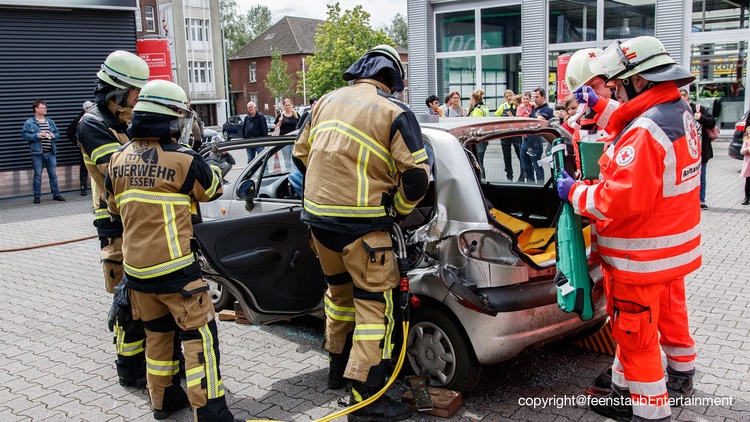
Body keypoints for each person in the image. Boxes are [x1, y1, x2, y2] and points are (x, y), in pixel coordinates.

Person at [557, 36, 701, 422]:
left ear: (639, 80)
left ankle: (650, 413)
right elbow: (633, 116)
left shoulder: (646, 132)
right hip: (668, 249)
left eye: (617, 85)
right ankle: (625, 394)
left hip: (639, 256)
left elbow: (616, 199)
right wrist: (601, 106)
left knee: (636, 340)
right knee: (635, 329)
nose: (615, 92)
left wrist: (575, 193)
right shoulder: (676, 112)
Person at [293, 44, 429, 421]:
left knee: (338, 296)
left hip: (319, 225)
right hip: (364, 231)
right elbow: (417, 178)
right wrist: (398, 212)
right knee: (374, 311)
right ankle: (367, 397)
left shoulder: (323, 102)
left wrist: (325, 195)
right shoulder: (394, 112)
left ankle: (337, 369)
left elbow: (299, 156)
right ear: (391, 80)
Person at [104, 79, 238, 421]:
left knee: (158, 338)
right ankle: (211, 413)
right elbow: (211, 190)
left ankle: (163, 402)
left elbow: (113, 210)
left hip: (138, 275)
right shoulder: (183, 158)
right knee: (199, 340)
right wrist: (219, 166)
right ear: (169, 119)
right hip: (177, 272)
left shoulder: (118, 159)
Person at [76, 50, 149, 388]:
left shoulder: (123, 119)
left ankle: (152, 359)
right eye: (136, 92)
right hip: (116, 227)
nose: (139, 98)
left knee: (145, 297)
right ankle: (130, 369)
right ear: (117, 91)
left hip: (136, 219)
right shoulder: (93, 124)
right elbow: (119, 172)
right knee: (126, 300)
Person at [680, 89, 716, 209]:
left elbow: (712, 122)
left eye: (683, 100)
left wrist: (700, 118)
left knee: (702, 175)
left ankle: (701, 200)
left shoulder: (698, 109)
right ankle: (688, 200)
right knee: (687, 176)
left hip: (701, 148)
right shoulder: (679, 112)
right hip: (687, 150)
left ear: (687, 98)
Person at [23, 99, 64, 204]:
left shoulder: (50, 122)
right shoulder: (29, 123)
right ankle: (37, 196)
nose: (45, 109)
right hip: (37, 153)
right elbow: (25, 136)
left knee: (53, 175)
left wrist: (53, 135)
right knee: (38, 175)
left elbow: (58, 134)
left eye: (45, 107)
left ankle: (56, 194)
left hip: (50, 152)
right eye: (42, 107)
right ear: (36, 109)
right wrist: (37, 135)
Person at [521, 87, 552, 183]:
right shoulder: (533, 107)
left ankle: (540, 186)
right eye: (534, 97)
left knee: (537, 167)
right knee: (526, 168)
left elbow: (537, 122)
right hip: (525, 141)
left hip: (535, 142)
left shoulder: (546, 109)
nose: (535, 99)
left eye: (537, 97)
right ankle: (530, 187)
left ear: (543, 96)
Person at [66, 100, 95, 196]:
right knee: (84, 168)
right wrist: (77, 142)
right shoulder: (78, 119)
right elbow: (69, 132)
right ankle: (83, 188)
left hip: (95, 146)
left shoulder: (95, 117)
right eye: (90, 107)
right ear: (86, 109)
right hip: (84, 148)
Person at [494, 89, 522, 181]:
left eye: (510, 95)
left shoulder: (517, 106)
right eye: (507, 96)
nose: (509, 98)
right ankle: (509, 175)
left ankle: (523, 174)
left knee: (519, 154)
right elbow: (495, 116)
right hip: (505, 134)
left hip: (516, 134)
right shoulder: (503, 106)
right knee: (506, 156)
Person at [467, 89, 490, 179]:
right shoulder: (484, 107)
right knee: (480, 160)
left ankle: (480, 179)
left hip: (478, 139)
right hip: (484, 138)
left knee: (478, 160)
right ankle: (482, 178)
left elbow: (475, 125)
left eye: (470, 99)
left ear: (473, 99)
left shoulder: (477, 110)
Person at [742, 129, 750, 205]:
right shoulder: (747, 142)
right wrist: (748, 148)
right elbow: (742, 151)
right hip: (749, 165)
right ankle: (747, 197)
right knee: (748, 182)